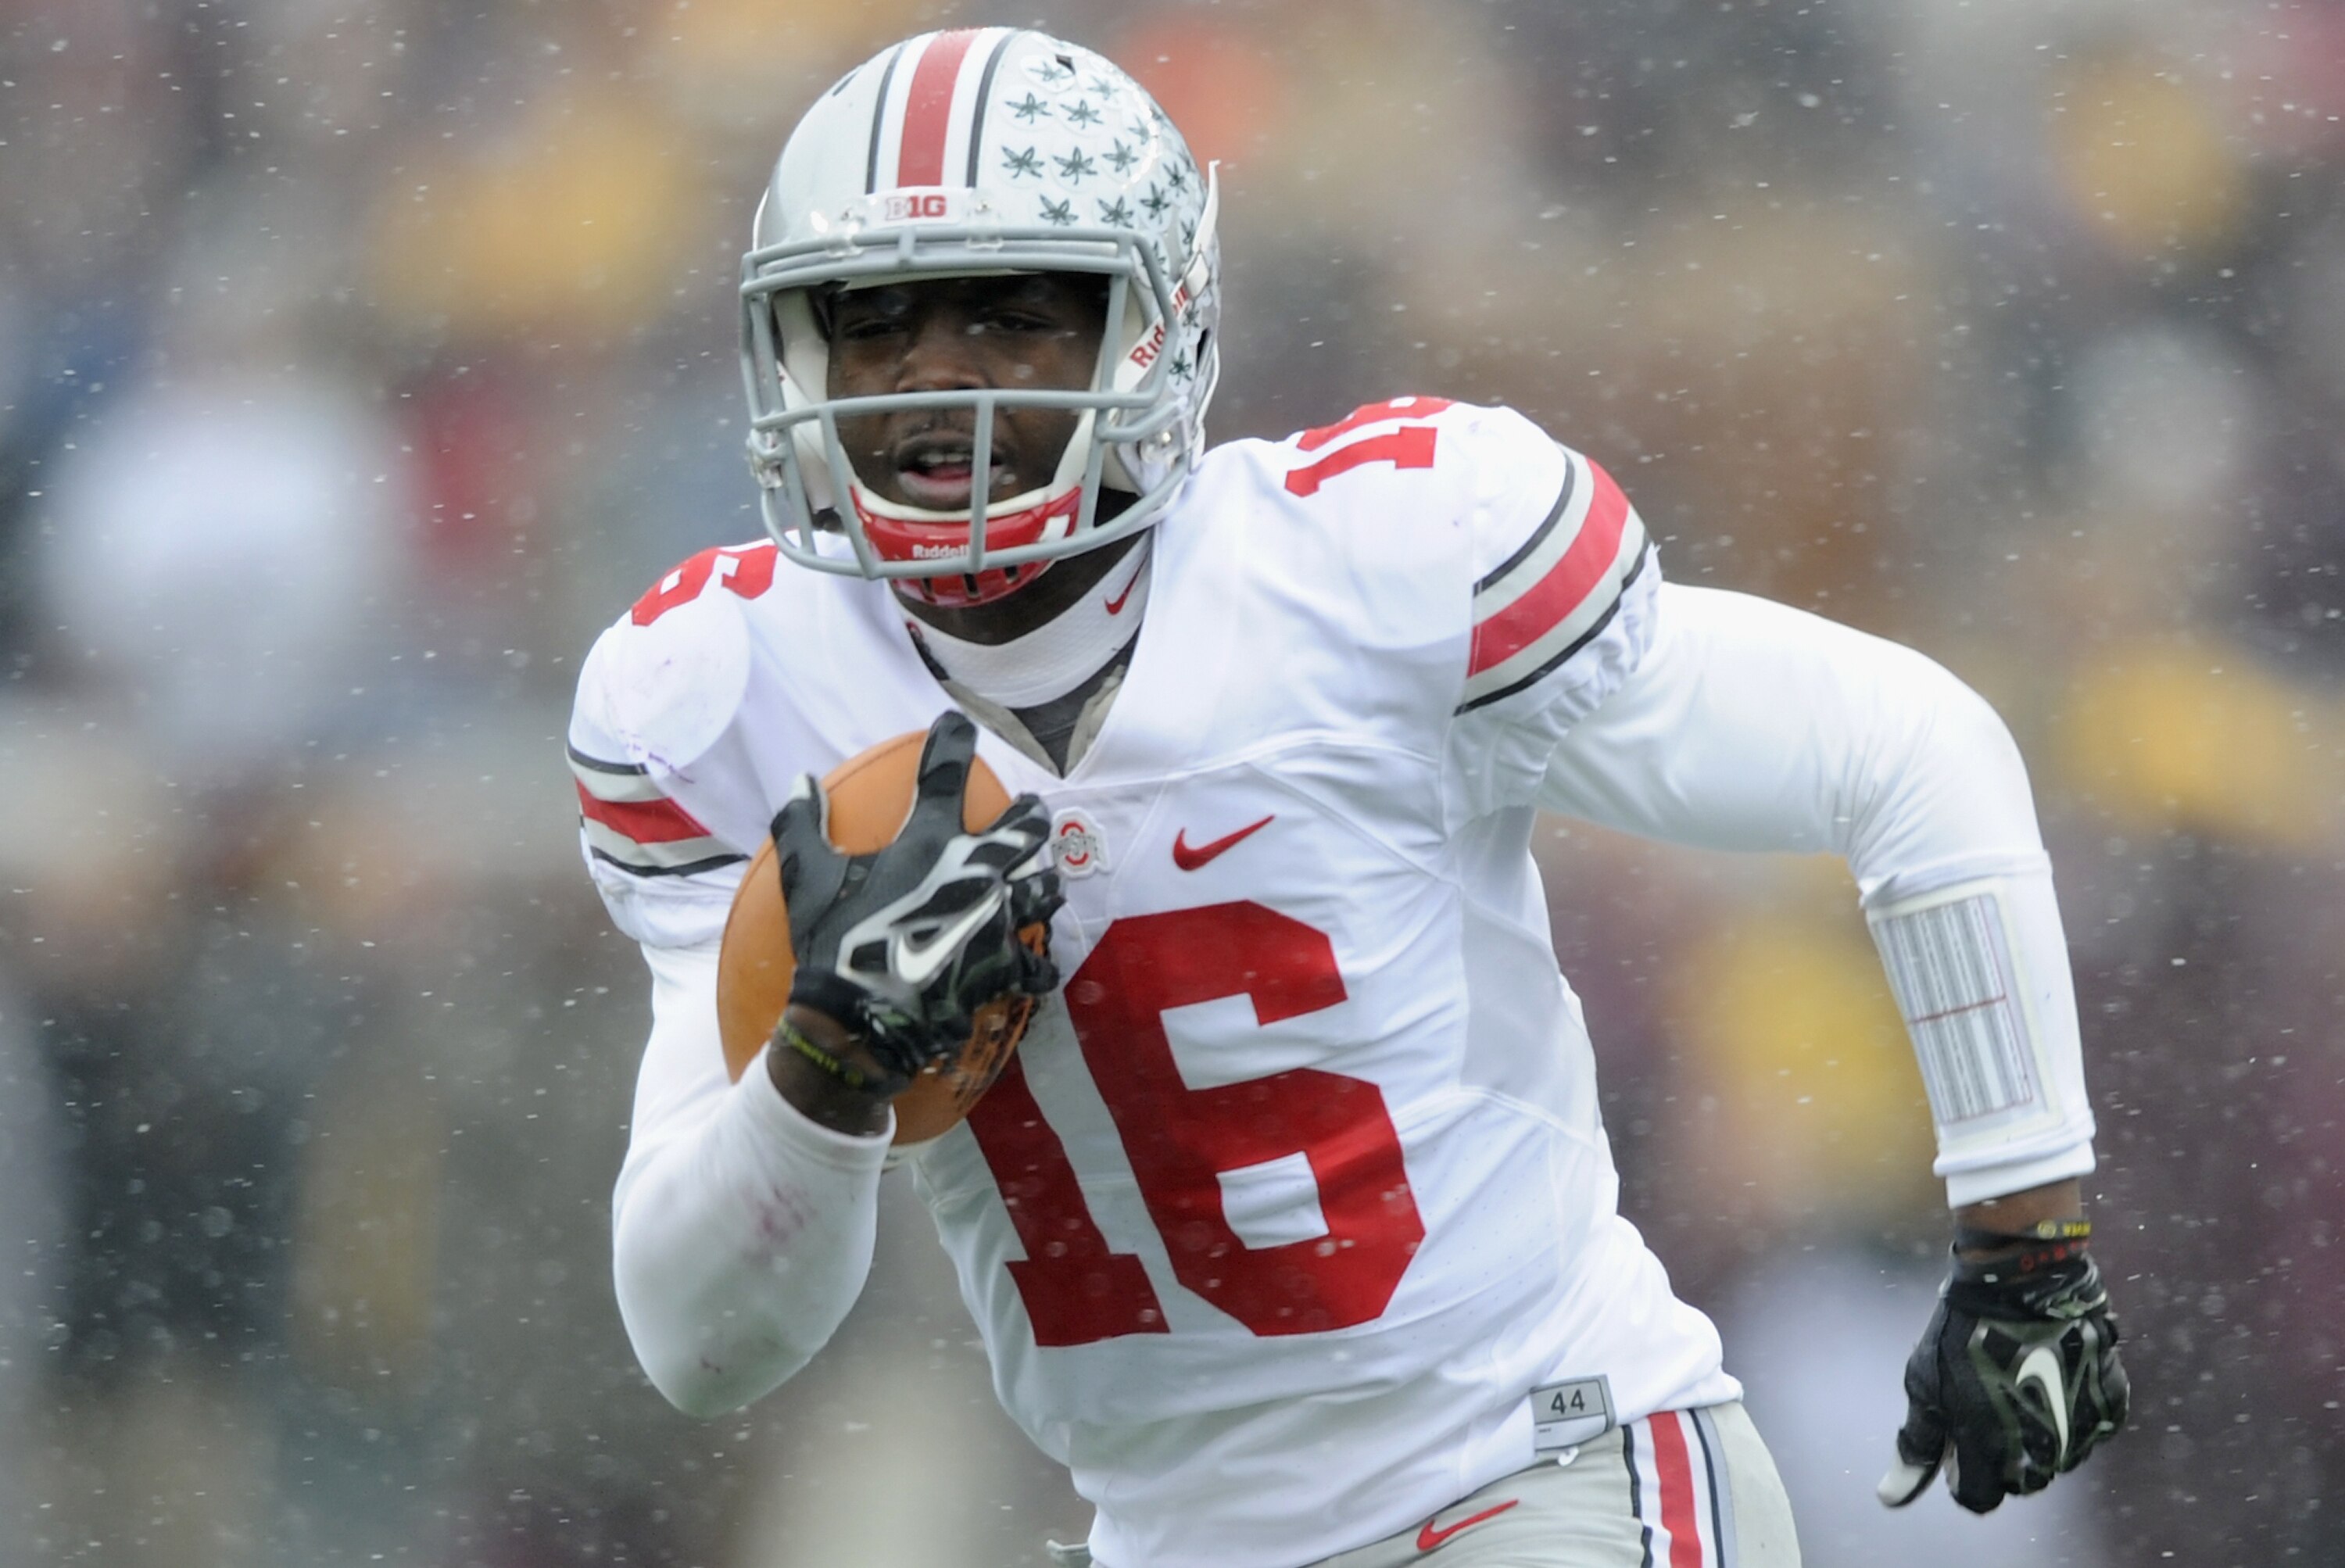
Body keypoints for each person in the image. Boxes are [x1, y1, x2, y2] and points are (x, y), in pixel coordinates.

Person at [565, 28, 2127, 1567]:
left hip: (1538, 1468)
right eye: (874, 319)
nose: (932, 380)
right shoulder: (726, 693)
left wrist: (2027, 1244)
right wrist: (825, 1073)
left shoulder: (1367, 565)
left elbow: (1910, 748)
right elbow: (701, 1344)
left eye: (1013, 314)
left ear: (1153, 325)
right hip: (1173, 1537)